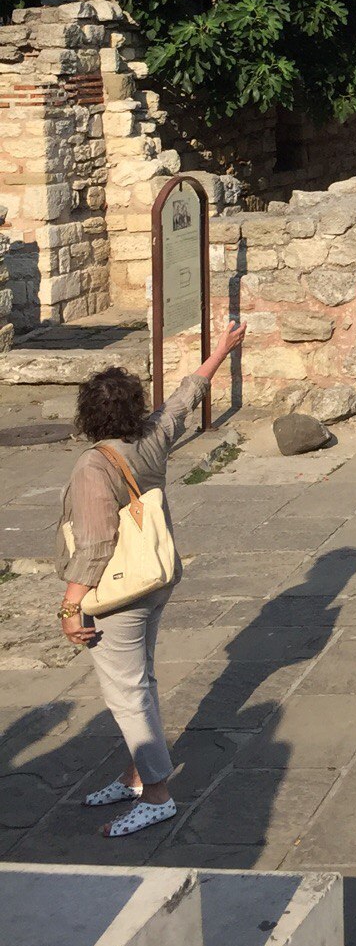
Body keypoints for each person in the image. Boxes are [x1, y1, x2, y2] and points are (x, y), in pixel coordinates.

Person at [56, 319, 245, 839]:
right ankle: (136, 775)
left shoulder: (93, 467)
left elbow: (95, 544)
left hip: (118, 591)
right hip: (155, 578)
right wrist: (222, 350)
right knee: (142, 681)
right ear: (135, 409)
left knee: (127, 692)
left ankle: (158, 795)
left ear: (87, 416)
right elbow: (185, 397)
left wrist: (71, 607)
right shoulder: (152, 437)